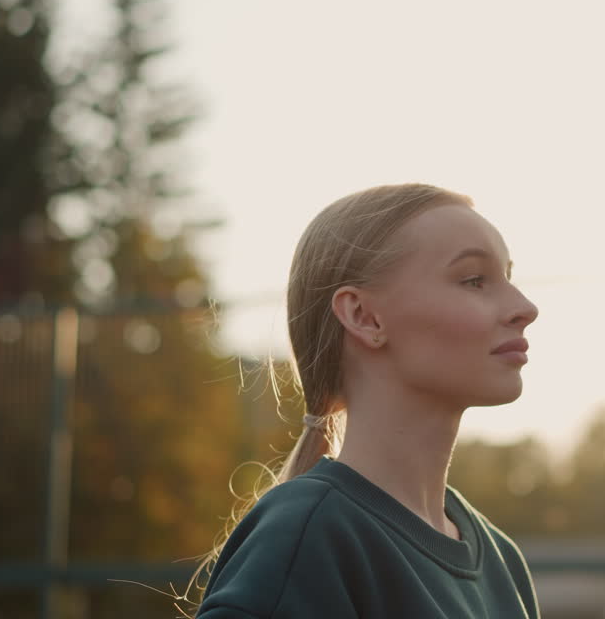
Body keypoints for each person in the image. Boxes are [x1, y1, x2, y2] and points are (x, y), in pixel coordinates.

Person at [193, 183, 541, 618]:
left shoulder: (502, 560)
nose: (525, 307)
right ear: (364, 316)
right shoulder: (308, 536)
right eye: (475, 280)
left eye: (508, 277)